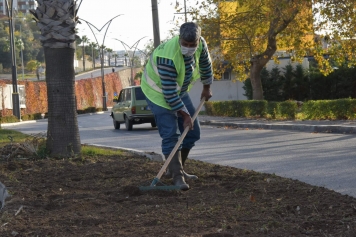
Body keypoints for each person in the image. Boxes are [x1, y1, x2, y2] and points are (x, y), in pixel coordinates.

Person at [141, 22, 213, 190]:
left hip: (178, 90)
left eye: (192, 45)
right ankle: (177, 176)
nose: (188, 48)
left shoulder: (201, 43)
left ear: (197, 40)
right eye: (185, 44)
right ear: (179, 39)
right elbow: (169, 93)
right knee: (171, 135)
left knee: (192, 132)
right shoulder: (168, 56)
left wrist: (207, 87)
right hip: (158, 93)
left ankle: (177, 169)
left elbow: (205, 64)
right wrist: (185, 115)